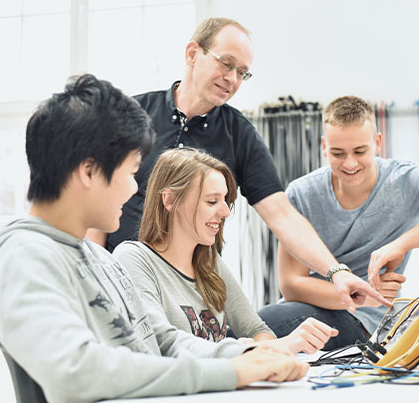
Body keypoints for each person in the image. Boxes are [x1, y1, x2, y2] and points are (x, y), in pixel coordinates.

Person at [0, 74, 307, 403]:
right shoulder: (23, 258)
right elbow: (77, 372)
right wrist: (230, 372)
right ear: (88, 172)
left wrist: (247, 354)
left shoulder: (99, 258)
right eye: (131, 173)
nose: (135, 188)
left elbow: (160, 340)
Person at [87, 17, 390, 312]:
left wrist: (336, 272)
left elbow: (282, 215)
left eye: (242, 72)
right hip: (121, 282)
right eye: (226, 63)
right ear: (193, 53)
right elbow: (97, 201)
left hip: (192, 294)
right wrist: (97, 278)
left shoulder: (239, 134)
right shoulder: (132, 114)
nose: (232, 78)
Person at [258, 95, 419, 350]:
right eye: (338, 153)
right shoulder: (302, 193)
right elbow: (291, 285)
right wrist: (363, 297)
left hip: (365, 322)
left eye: (360, 151)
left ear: (378, 143)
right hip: (308, 307)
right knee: (251, 328)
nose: (350, 163)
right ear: (324, 147)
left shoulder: (406, 180)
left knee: (253, 331)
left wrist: (401, 244)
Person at [113, 148, 339, 354]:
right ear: (170, 200)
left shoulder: (209, 260)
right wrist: (257, 348)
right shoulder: (133, 258)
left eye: (225, 200)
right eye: (212, 201)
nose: (225, 212)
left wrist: (263, 347)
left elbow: (256, 329)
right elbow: (161, 341)